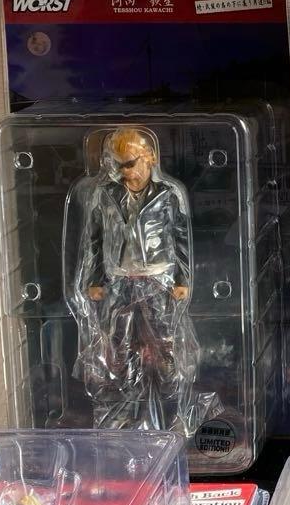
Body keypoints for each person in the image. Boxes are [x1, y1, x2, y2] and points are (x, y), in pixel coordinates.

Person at [71, 127, 211, 434]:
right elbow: (94, 240)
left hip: (157, 280)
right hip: (119, 282)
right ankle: (122, 416)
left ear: (149, 158)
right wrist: (95, 279)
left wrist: (182, 278)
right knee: (117, 349)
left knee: (165, 348)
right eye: (118, 164)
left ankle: (172, 413)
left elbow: (181, 239)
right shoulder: (107, 194)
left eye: (129, 163)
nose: (124, 172)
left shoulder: (168, 194)